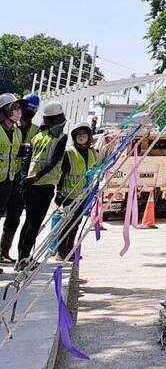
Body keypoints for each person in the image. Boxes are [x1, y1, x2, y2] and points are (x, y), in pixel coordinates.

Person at [16, 101, 67, 269]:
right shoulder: (60, 137)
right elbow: (55, 160)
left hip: (31, 183)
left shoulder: (37, 136)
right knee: (34, 222)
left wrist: (26, 178)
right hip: (43, 185)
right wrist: (37, 176)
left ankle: (21, 256)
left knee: (29, 221)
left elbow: (26, 160)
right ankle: (24, 259)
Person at [0, 94, 39, 265]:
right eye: (14, 108)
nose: (18, 112)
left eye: (19, 108)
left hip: (12, 180)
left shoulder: (16, 132)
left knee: (14, 216)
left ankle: (3, 253)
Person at [55, 123, 97, 262]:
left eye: (84, 134)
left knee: (76, 223)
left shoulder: (92, 152)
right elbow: (62, 173)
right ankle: (60, 251)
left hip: (84, 194)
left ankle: (70, 250)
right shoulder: (70, 152)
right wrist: (59, 192)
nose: (81, 137)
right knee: (67, 223)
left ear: (89, 137)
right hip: (69, 194)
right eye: (78, 135)